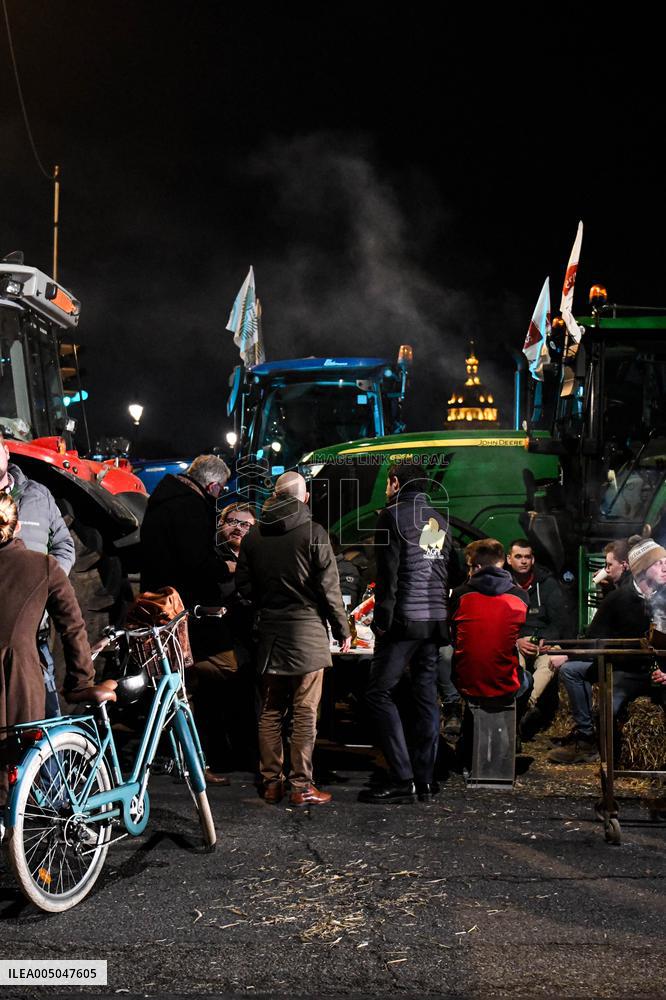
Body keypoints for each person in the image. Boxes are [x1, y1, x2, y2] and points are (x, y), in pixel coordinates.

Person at [236, 471, 351, 806]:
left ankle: (271, 783)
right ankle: (301, 786)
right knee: (304, 712)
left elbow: (244, 586)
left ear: (275, 494)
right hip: (308, 634)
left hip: (270, 634)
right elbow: (330, 589)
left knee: (271, 710)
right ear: (304, 498)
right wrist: (342, 629)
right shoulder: (314, 533)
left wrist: (266, 604)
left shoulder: (254, 536)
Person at [0, 495, 115, 821]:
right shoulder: (43, 566)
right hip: (19, 680)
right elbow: (72, 628)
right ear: (18, 524)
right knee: (20, 759)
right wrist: (81, 681)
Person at [360, 460, 455, 805]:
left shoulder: (392, 515)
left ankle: (402, 777)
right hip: (433, 621)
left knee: (377, 694)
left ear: (395, 482)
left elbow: (389, 574)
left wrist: (381, 621)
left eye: (388, 483)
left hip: (403, 621)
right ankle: (425, 778)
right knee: (425, 697)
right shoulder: (436, 519)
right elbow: (442, 569)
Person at [140, 453, 233, 784]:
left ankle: (179, 757)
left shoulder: (162, 498)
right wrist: (227, 570)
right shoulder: (191, 508)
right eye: (220, 490)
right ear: (211, 485)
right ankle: (195, 764)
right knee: (190, 680)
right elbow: (197, 562)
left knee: (174, 683)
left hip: (157, 602)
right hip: (179, 609)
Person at [547, 538, 666, 765]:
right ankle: (599, 751)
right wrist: (571, 653)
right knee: (608, 707)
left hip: (660, 672)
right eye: (658, 563)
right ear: (641, 570)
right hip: (626, 671)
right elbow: (595, 640)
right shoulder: (618, 600)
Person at [1, 433, 76, 716]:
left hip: (35, 637)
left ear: (7, 452)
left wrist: (48, 583)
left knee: (45, 721)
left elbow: (64, 544)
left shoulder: (37, 495)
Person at [450, 540, 532, 745]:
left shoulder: (460, 595)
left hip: (465, 680)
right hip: (504, 682)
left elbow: (452, 634)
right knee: (527, 681)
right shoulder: (520, 597)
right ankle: (511, 732)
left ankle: (468, 740)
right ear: (503, 562)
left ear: (476, 567)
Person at [506, 539, 569, 740]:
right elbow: (500, 621)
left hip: (543, 642)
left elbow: (560, 621)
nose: (523, 561)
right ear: (509, 559)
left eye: (527, 557)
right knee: (517, 663)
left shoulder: (547, 584)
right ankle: (521, 708)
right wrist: (516, 640)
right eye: (518, 556)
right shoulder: (504, 585)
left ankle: (523, 707)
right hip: (516, 641)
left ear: (532, 559)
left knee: (550, 661)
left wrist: (545, 639)